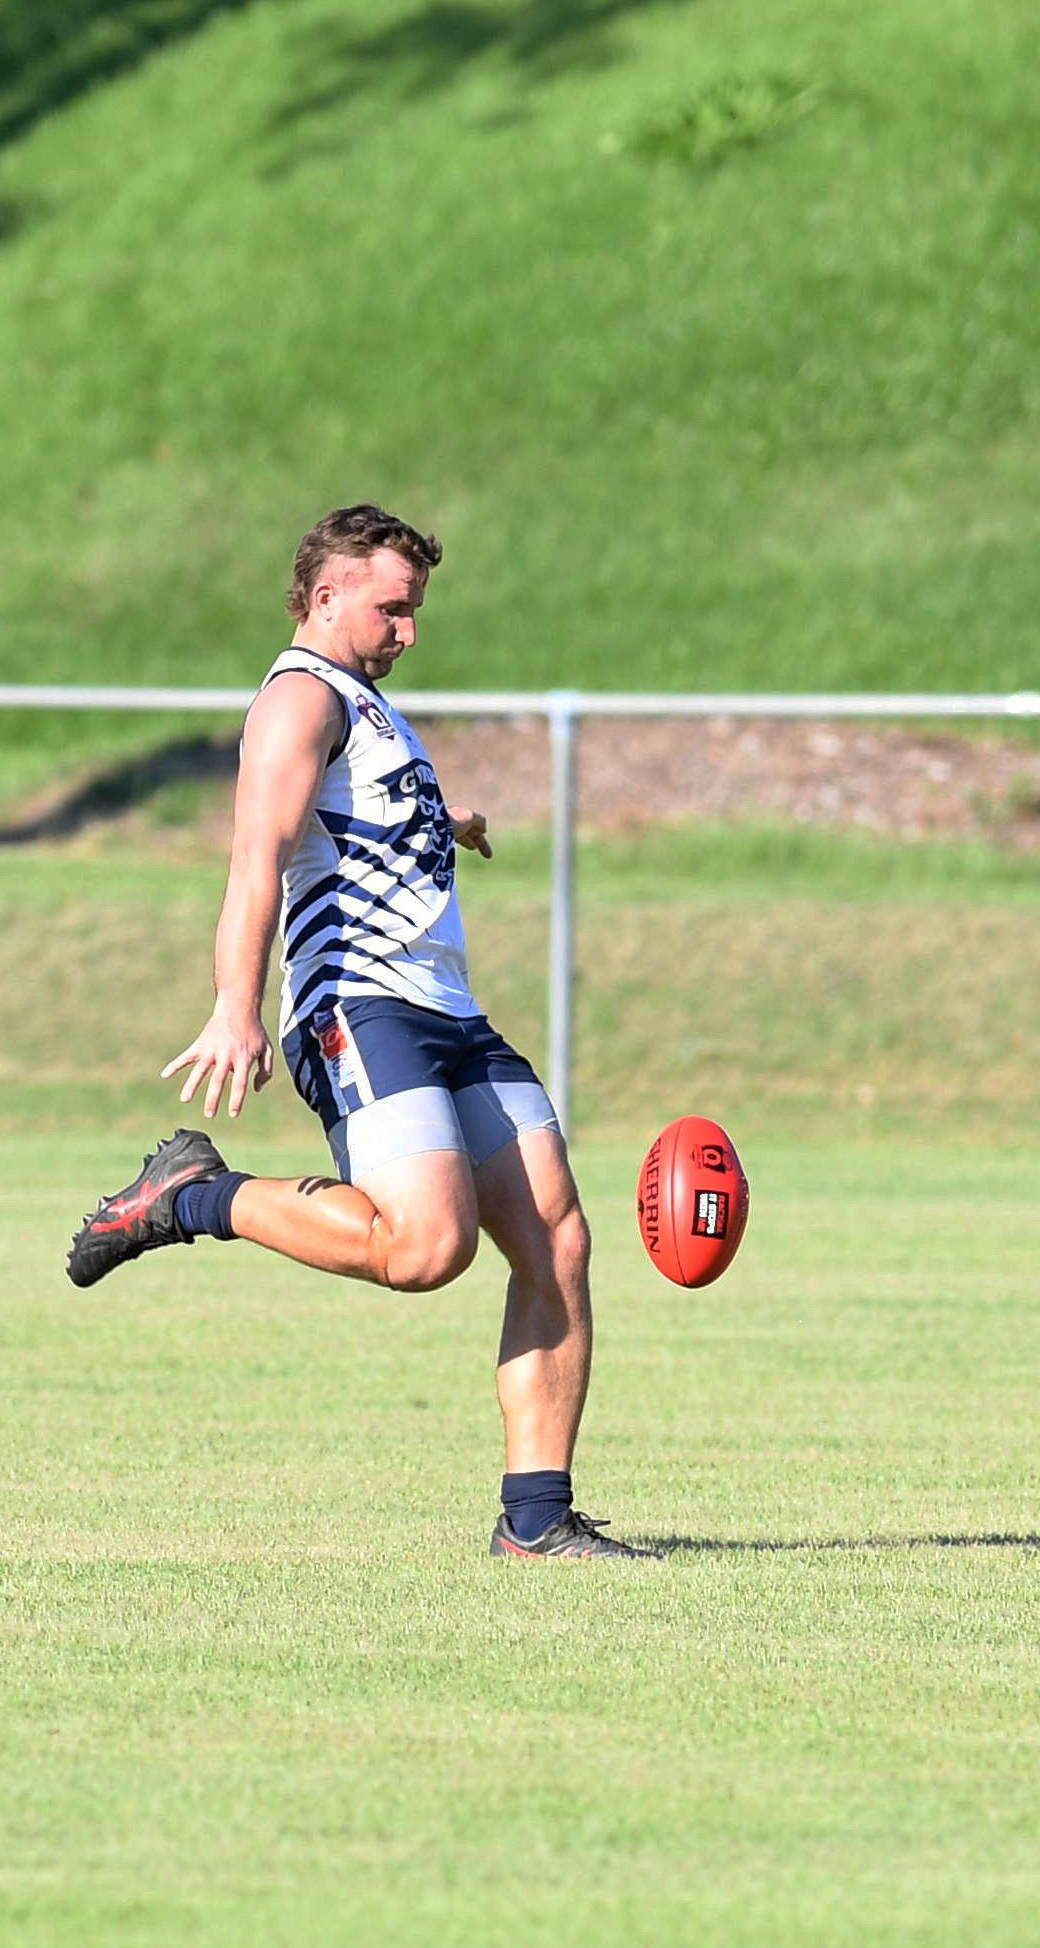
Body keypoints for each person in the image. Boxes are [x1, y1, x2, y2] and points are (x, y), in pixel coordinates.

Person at [66, 504, 643, 1559]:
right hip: (356, 1006)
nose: (409, 631)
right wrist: (235, 1008)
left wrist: (446, 822)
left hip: (446, 1007)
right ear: (324, 597)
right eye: (392, 609)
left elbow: (360, 818)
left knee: (556, 1239)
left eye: (415, 610)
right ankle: (189, 1196)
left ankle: (536, 1519)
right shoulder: (298, 700)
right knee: (427, 1248)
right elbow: (258, 856)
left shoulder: (367, 707)